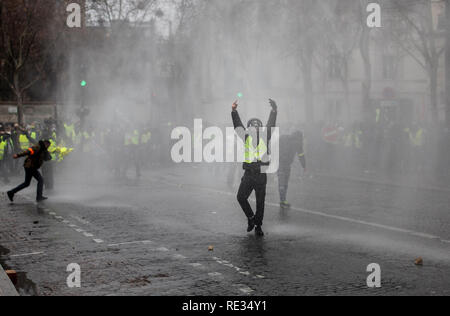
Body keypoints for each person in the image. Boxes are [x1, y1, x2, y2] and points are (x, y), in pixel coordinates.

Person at [232, 99, 277, 237]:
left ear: (260, 127)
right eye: (252, 126)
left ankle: (258, 226)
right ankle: (251, 219)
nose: (255, 127)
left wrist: (274, 111)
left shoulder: (265, 136)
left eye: (257, 126)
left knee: (260, 202)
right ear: (249, 127)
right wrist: (234, 111)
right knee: (240, 197)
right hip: (248, 174)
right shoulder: (245, 137)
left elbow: (271, 124)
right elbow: (237, 125)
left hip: (261, 174)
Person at [278, 131, 306, 209]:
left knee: (285, 182)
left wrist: (304, 165)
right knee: (282, 181)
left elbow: (301, 154)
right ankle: (282, 200)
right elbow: (275, 148)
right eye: (298, 140)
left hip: (287, 164)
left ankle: (283, 200)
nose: (298, 142)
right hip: (280, 163)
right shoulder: (283, 138)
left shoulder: (297, 143)